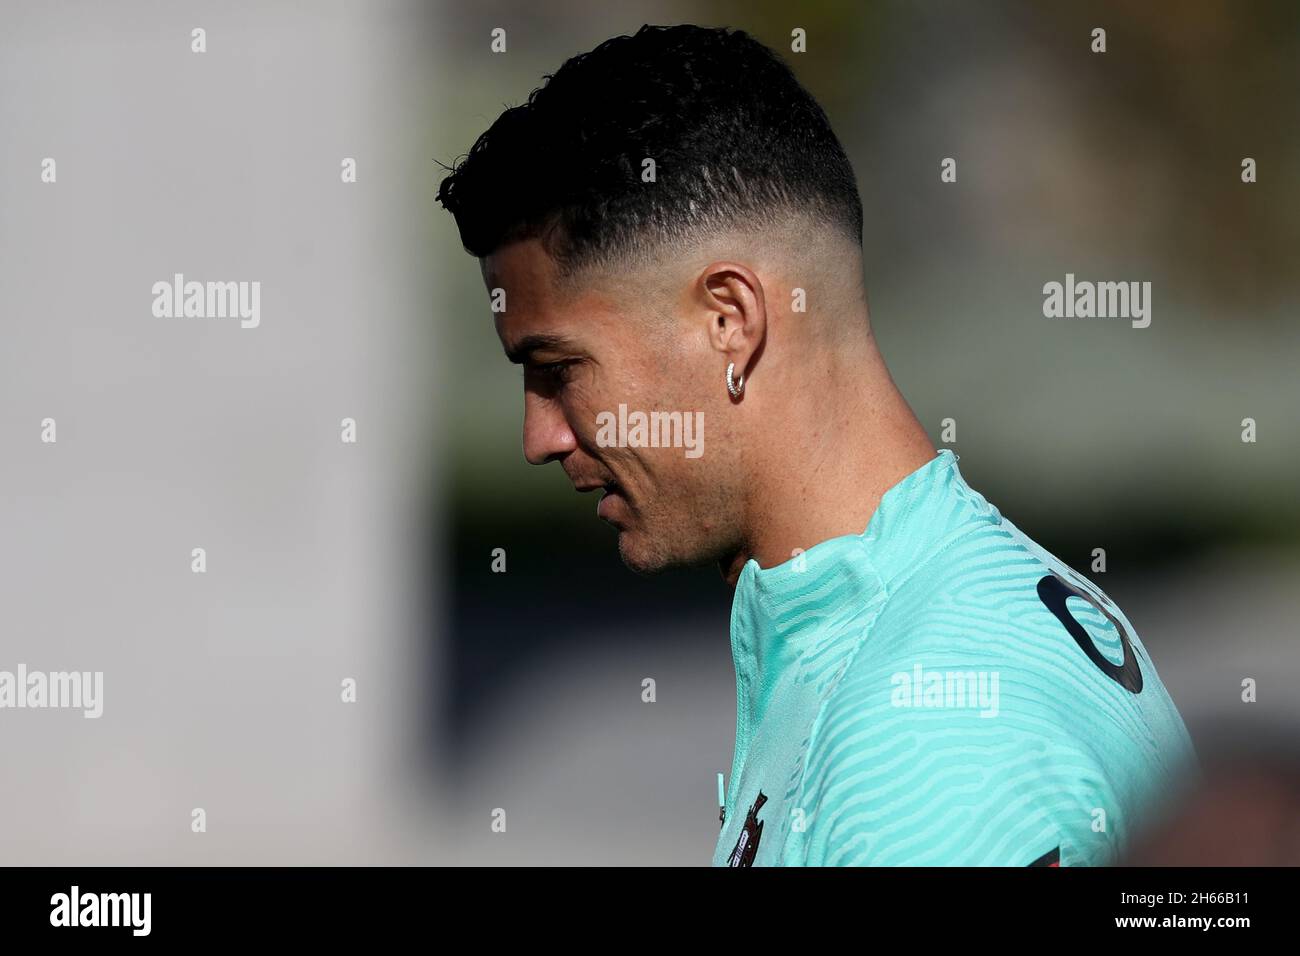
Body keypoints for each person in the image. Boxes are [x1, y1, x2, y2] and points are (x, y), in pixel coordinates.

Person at [436, 23, 1197, 865]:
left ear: (730, 321)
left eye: (557, 368)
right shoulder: (917, 610)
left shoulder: (927, 735)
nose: (538, 436)